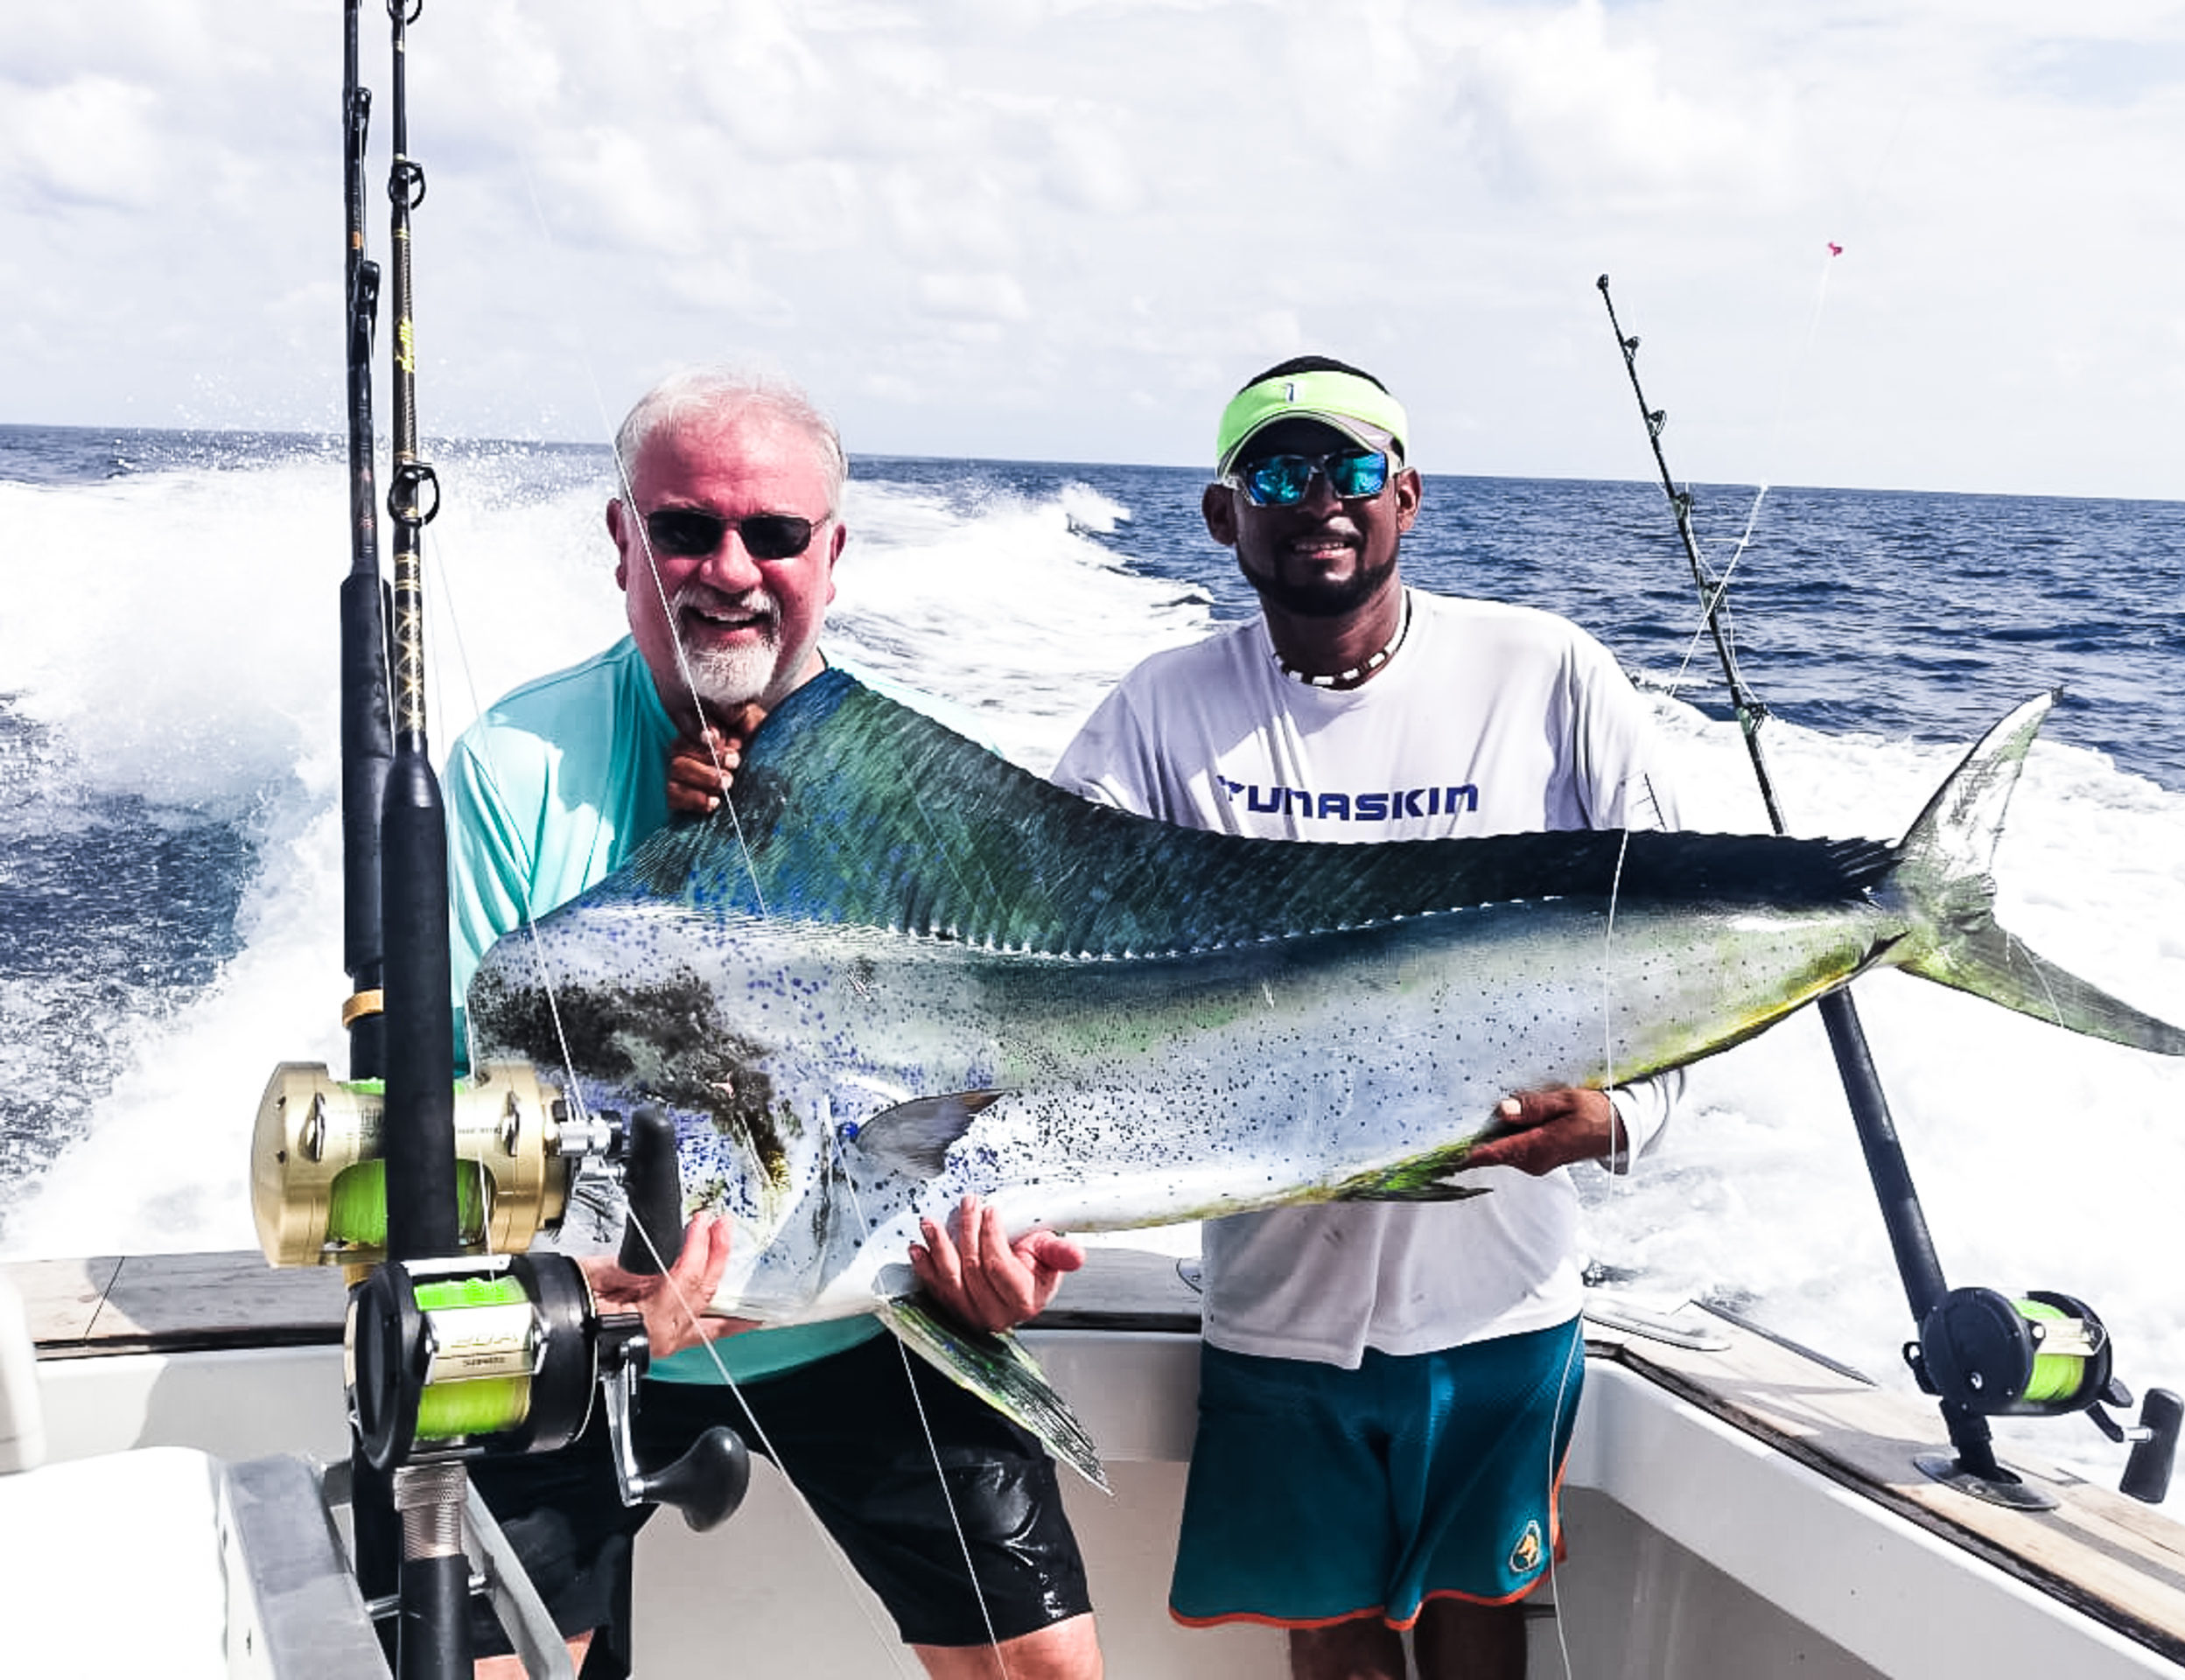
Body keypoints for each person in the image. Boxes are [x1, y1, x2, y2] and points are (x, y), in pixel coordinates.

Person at [445, 366, 1103, 1680]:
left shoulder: (918, 800)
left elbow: (1009, 1100)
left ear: (834, 555)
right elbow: (466, 1110)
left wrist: (1006, 1260)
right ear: (623, 539)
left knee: (1048, 1673)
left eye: (775, 534)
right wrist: (596, 1301)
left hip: (863, 1313)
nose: (729, 569)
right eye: (684, 528)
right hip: (573, 1315)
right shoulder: (513, 768)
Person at [1047, 357, 1684, 1680]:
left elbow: (1673, 943)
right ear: (1227, 517)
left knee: (1478, 1635)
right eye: (1278, 475)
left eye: (1349, 470)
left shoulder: (1547, 671)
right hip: (1281, 1305)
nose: (1318, 501)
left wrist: (1625, 1117)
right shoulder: (1160, 711)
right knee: (1330, 1651)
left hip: (1504, 1297)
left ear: (1408, 495)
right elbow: (1043, 935)